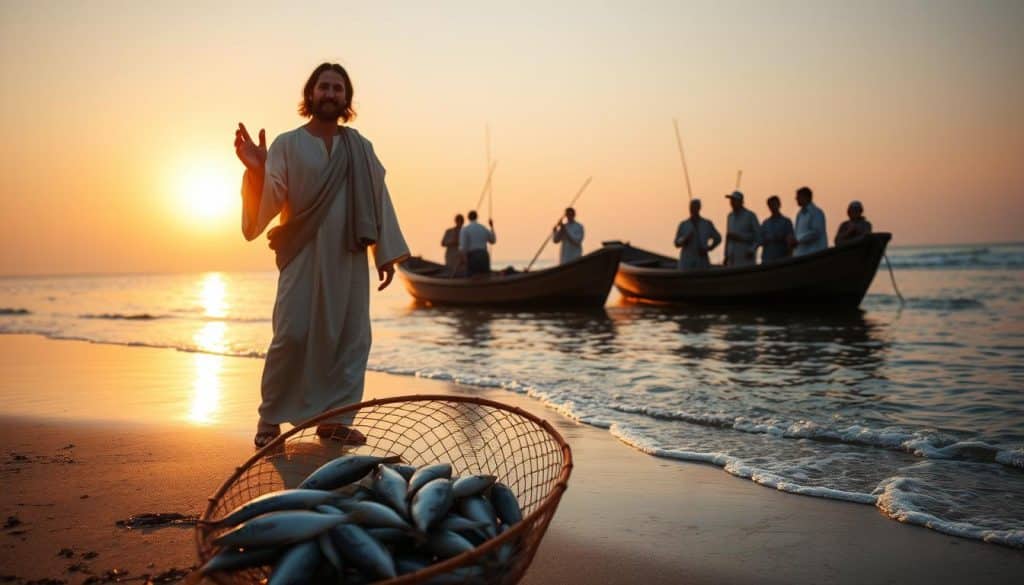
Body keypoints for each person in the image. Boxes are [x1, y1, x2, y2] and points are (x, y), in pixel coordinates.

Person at [234, 62, 410, 448]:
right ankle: (270, 420)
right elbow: (271, 199)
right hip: (302, 254)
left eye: (338, 89)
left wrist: (386, 252)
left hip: (348, 256)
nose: (330, 94)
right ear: (310, 95)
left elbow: (379, 198)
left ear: (347, 99)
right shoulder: (287, 144)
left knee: (351, 339)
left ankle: (334, 421)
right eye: (324, 87)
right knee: (292, 335)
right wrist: (257, 173)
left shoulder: (360, 147)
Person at [674, 198, 721, 270]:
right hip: (686, 264)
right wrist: (685, 240)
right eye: (691, 208)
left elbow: (718, 238)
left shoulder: (707, 224)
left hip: (702, 263)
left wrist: (708, 248)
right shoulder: (683, 224)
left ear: (699, 208)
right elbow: (676, 243)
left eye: (695, 207)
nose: (692, 210)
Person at [723, 191, 760, 267]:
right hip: (732, 259)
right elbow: (728, 237)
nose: (732, 202)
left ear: (741, 202)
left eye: (734, 200)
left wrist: (752, 250)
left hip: (745, 257)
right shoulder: (730, 216)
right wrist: (726, 255)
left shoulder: (750, 216)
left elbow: (758, 236)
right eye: (731, 200)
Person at [788, 186, 827, 256]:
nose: (796, 199)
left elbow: (816, 232)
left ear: (806, 197)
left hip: (814, 254)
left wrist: (798, 240)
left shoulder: (816, 212)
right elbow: (797, 234)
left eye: (798, 197)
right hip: (801, 254)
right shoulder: (799, 214)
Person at [459, 210, 496, 276]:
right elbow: (493, 240)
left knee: (471, 278)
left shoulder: (465, 229)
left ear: (468, 218)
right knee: (485, 277)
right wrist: (491, 226)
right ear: (477, 217)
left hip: (473, 256)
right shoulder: (483, 228)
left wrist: (463, 261)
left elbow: (463, 247)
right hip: (484, 256)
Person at [760, 195, 794, 264]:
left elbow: (790, 241)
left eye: (774, 204)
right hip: (767, 259)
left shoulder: (786, 221)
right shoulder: (765, 223)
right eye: (770, 205)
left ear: (779, 204)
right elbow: (760, 240)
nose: (772, 207)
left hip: (782, 258)